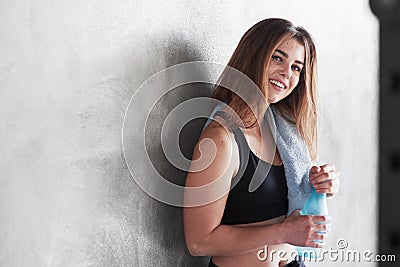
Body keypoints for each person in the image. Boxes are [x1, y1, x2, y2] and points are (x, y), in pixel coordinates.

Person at [183, 18, 340, 267]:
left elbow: (289, 198)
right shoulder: (221, 140)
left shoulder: (283, 134)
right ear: (254, 56)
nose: (286, 73)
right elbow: (199, 241)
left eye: (296, 67)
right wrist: (284, 232)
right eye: (278, 58)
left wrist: (320, 184)